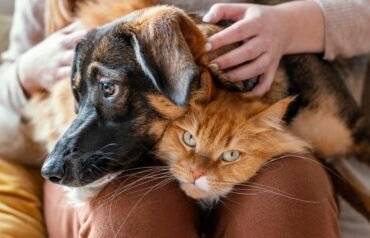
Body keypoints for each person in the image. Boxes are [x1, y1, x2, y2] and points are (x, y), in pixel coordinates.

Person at [0, 0, 368, 237]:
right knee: (133, 214)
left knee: (289, 193)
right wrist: (23, 74)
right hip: (106, 164)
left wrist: (296, 23)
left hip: (260, 132)